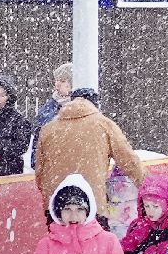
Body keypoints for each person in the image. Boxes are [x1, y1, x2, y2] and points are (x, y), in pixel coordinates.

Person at [32, 86, 146, 217]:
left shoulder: (49, 128)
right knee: (93, 237)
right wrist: (148, 185)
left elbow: (39, 170)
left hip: (58, 204)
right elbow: (129, 161)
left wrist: (51, 196)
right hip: (92, 203)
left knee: (60, 237)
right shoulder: (104, 124)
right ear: (95, 103)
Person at [29, 62, 73, 172]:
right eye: (56, 80)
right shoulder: (48, 109)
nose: (57, 84)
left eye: (62, 81)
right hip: (51, 170)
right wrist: (38, 164)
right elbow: (38, 140)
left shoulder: (83, 107)